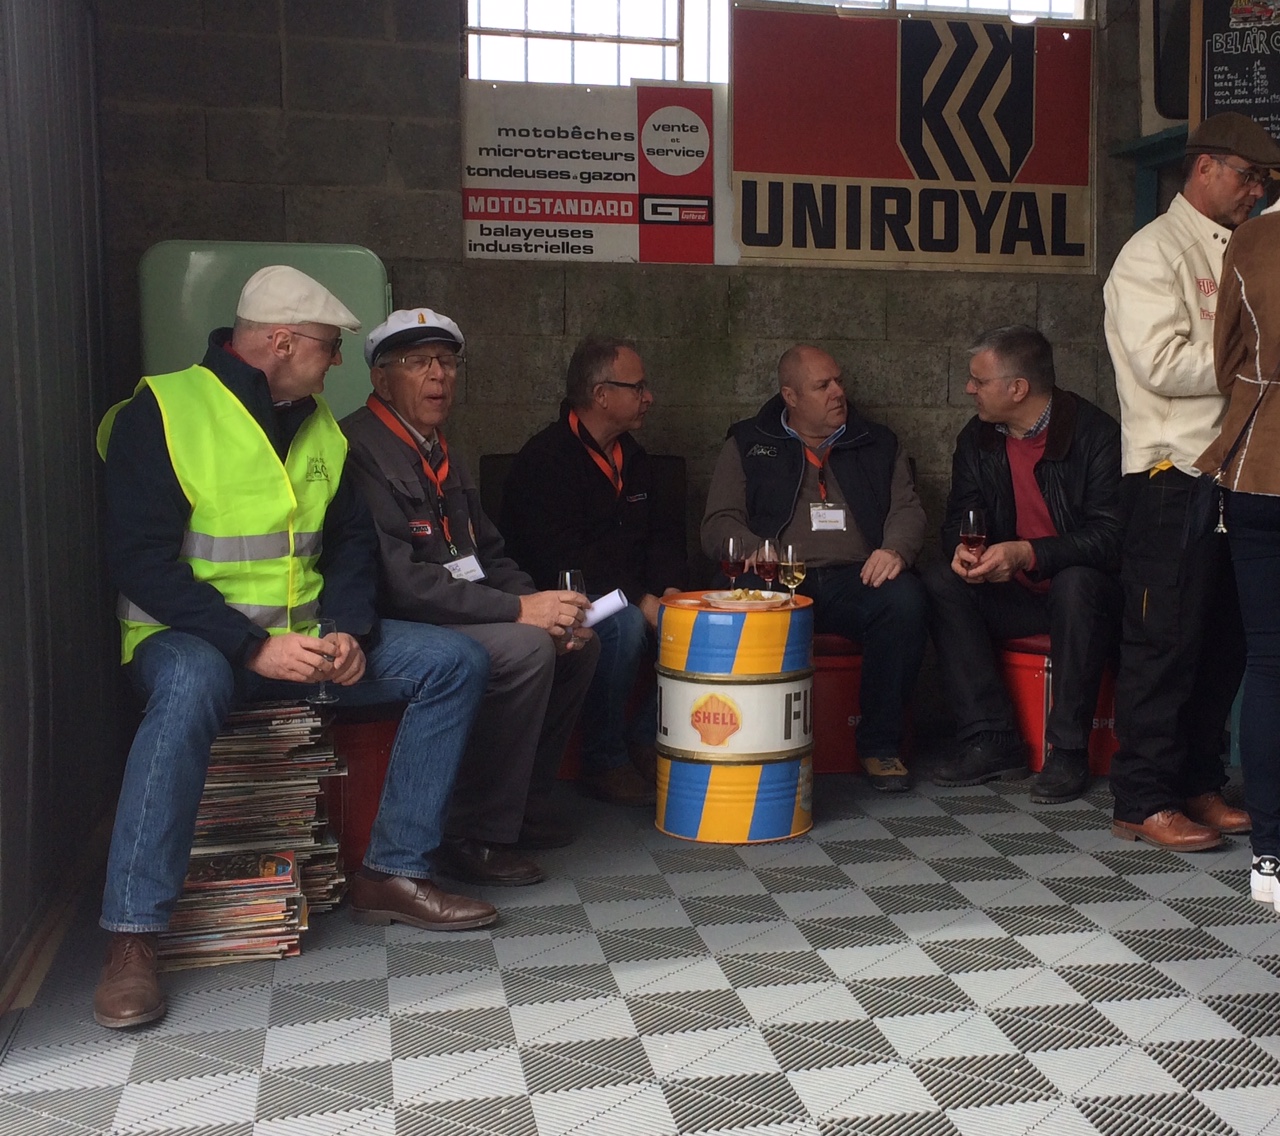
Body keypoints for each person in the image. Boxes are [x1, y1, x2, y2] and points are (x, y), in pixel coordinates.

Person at [94, 267, 496, 1031]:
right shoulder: (164, 410)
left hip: (306, 641)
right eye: (328, 347)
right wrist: (252, 648)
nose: (338, 362)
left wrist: (346, 629)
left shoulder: (318, 425)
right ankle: (132, 935)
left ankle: (393, 872)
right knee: (187, 687)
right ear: (281, 342)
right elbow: (140, 562)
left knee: (453, 662)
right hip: (189, 640)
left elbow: (349, 546)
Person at [339, 308, 600, 880]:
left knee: (576, 641)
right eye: (418, 362)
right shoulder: (358, 448)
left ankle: (521, 807)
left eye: (448, 362)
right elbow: (401, 584)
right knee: (526, 649)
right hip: (399, 622)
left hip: (459, 609)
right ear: (381, 379)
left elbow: (490, 555)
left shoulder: (442, 451)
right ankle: (472, 832)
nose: (439, 375)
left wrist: (544, 606)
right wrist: (518, 611)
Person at [1102, 112, 1280, 849]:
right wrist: (1256, 362)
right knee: (1163, 642)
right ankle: (1142, 798)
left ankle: (1200, 782)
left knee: (1224, 642)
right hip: (1170, 475)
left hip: (1234, 471)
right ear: (1205, 167)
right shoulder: (1152, 252)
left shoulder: (1248, 248)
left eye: (1264, 181)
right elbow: (1159, 363)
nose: (1257, 191)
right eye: (1248, 176)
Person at [701, 344, 928, 791]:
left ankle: (880, 745)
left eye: (839, 381)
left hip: (855, 576)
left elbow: (908, 510)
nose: (838, 392)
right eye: (823, 386)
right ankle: (749, 741)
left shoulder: (877, 441)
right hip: (778, 576)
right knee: (735, 599)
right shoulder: (749, 441)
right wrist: (756, 549)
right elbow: (718, 522)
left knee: (905, 601)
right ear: (790, 396)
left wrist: (895, 550)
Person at [923, 326, 1123, 802]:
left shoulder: (1097, 435)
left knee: (1076, 583)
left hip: (1088, 599)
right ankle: (991, 738)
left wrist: (1029, 553)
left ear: (1017, 388)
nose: (968, 389)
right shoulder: (977, 437)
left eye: (978, 381)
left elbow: (1113, 537)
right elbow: (959, 519)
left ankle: (1068, 751)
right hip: (1014, 592)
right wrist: (963, 551)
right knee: (940, 579)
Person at [501, 337, 686, 807]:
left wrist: (669, 592)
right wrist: (640, 598)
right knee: (625, 625)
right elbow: (561, 555)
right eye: (638, 387)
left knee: (695, 619)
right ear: (602, 395)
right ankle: (604, 760)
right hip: (564, 599)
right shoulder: (546, 460)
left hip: (637, 592)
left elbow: (663, 536)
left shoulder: (636, 458)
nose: (649, 397)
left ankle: (646, 739)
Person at [1195, 206, 1280, 908]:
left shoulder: (1253, 238)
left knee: (1270, 664)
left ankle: (1270, 855)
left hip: (1259, 469)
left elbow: (1226, 362)